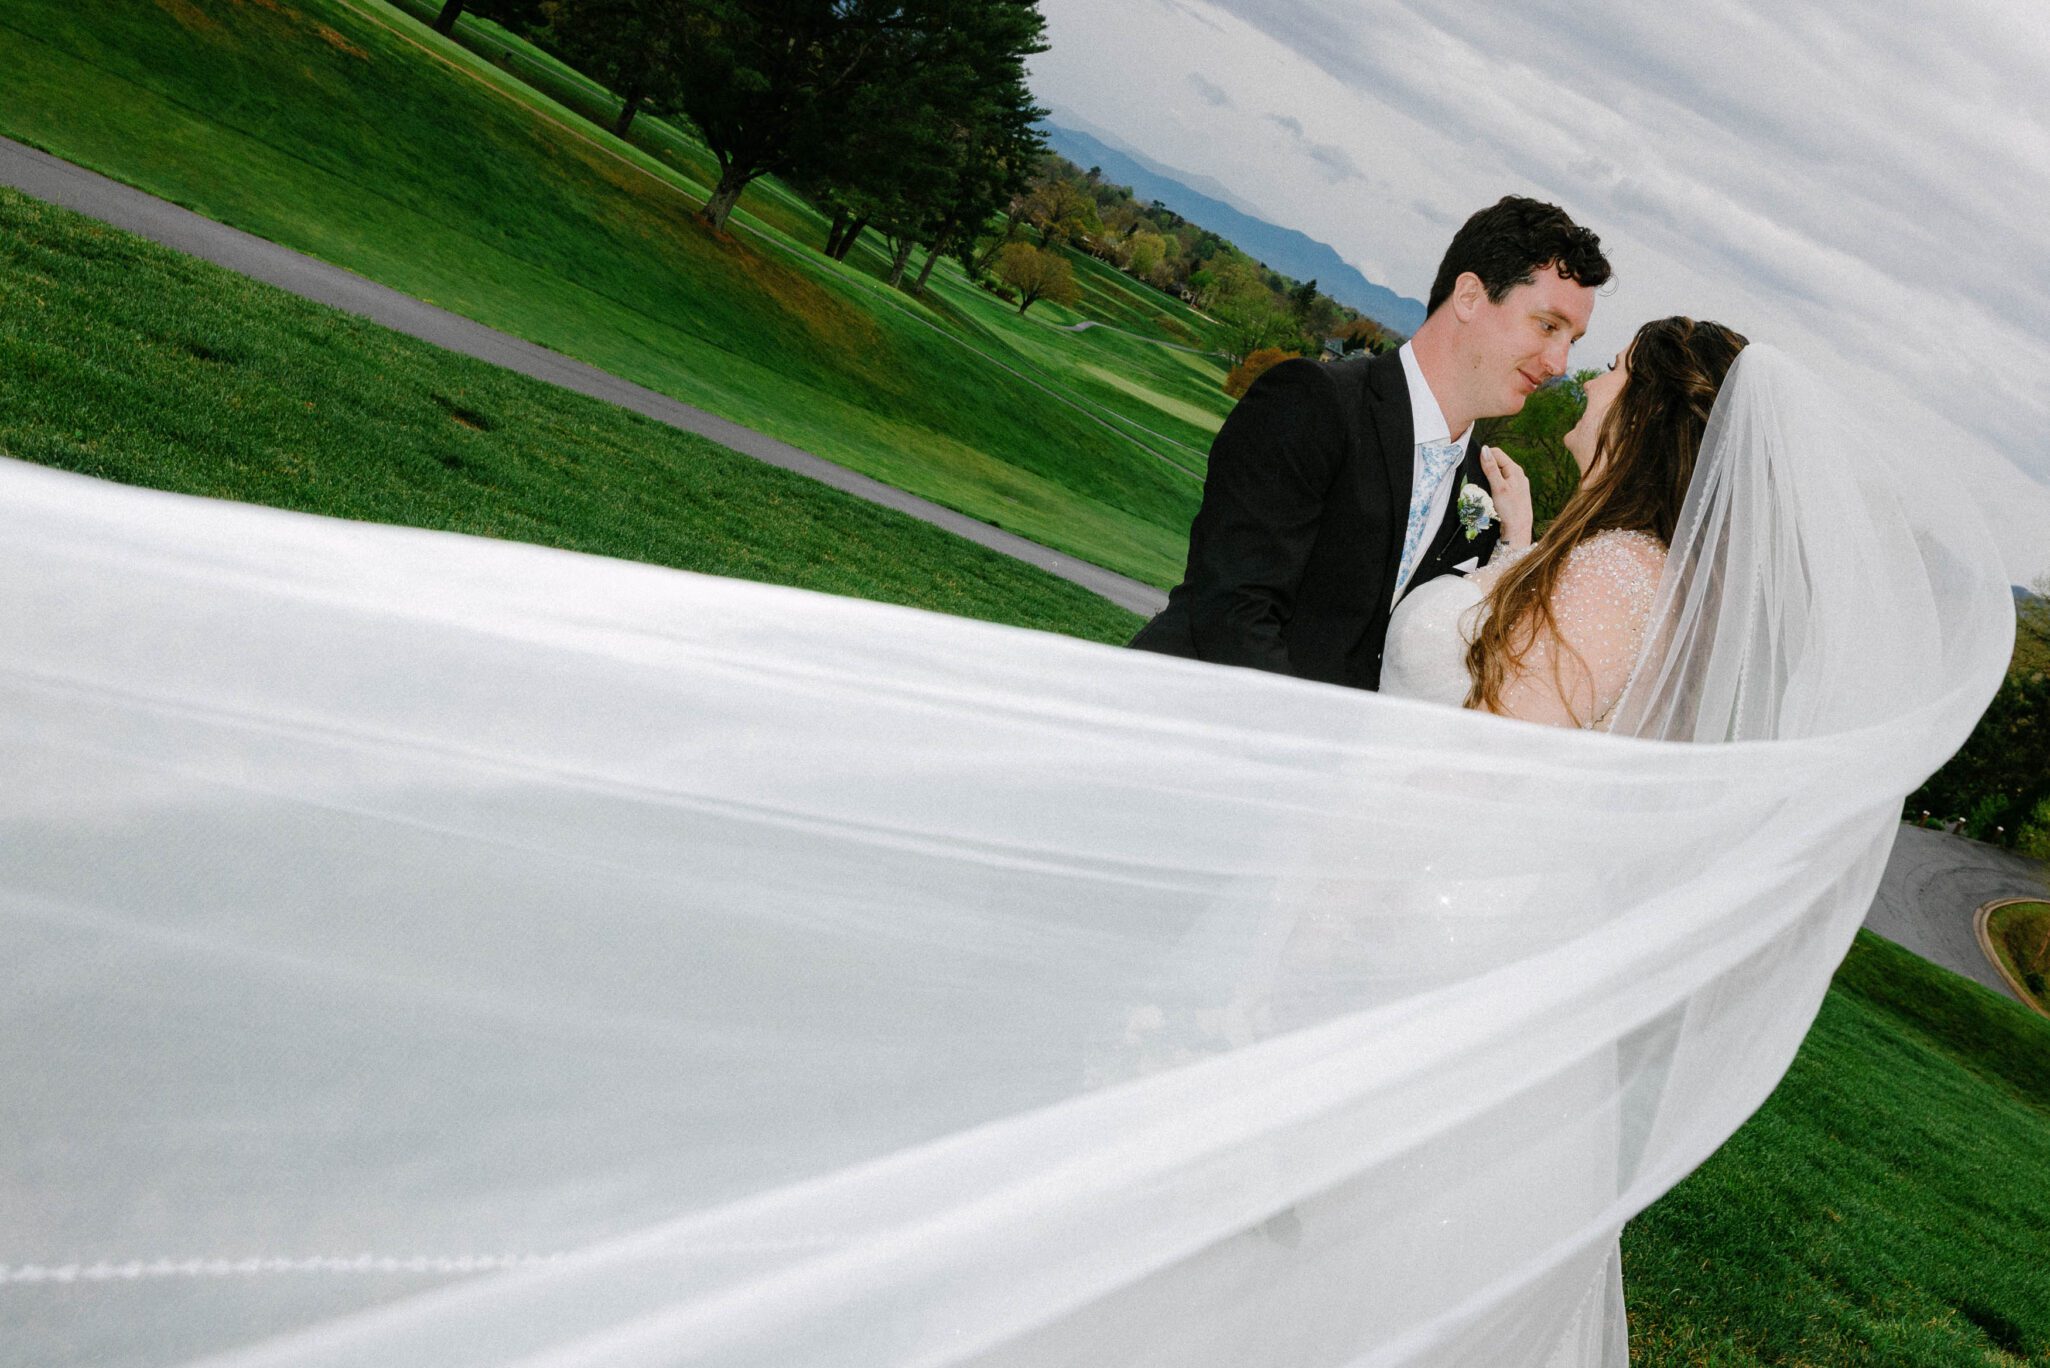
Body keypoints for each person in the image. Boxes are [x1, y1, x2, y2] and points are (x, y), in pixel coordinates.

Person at [1127, 196, 1611, 690]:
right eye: (1548, 326)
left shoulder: (1486, 495)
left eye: (1571, 341)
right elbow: (1233, 610)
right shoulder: (1312, 402)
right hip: (1182, 722)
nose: (1559, 364)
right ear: (1469, 296)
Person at [1380, 316, 1750, 728]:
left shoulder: (1618, 573)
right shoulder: (1628, 561)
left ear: (1640, 414)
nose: (1588, 383)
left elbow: (1495, 759)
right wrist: (1517, 544)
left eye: (1614, 370)